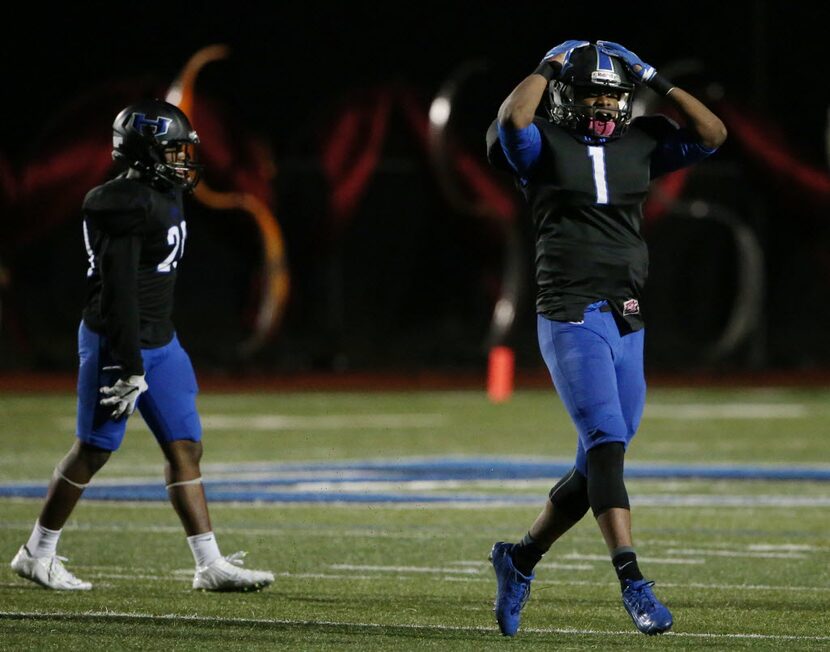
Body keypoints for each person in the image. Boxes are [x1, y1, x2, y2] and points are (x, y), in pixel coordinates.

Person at [485, 40, 727, 636]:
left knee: (598, 463)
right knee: (606, 441)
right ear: (567, 96)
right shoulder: (541, 143)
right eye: (591, 94)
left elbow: (714, 132)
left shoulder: (641, 140)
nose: (603, 106)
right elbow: (513, 119)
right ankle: (633, 581)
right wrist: (546, 64)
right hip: (569, 310)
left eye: (612, 95)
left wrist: (652, 75)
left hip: (627, 316)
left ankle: (518, 559)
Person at [9, 99, 274, 592]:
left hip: (161, 340)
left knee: (186, 446)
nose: (183, 160)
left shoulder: (162, 191)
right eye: (173, 150)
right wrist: (129, 365)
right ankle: (36, 552)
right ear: (145, 151)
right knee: (94, 450)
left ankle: (209, 564)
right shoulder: (121, 203)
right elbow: (119, 293)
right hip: (118, 339)